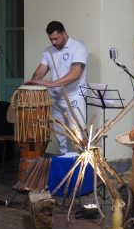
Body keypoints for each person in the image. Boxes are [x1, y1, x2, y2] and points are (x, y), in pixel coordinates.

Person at [25, 21, 88, 155]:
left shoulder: (78, 48)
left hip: (74, 97)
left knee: (78, 135)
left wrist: (50, 84)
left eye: (56, 38)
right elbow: (39, 72)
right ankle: (64, 165)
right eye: (51, 39)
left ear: (64, 34)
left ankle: (82, 165)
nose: (53, 42)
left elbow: (75, 74)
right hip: (56, 100)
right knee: (60, 136)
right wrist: (33, 83)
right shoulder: (49, 51)